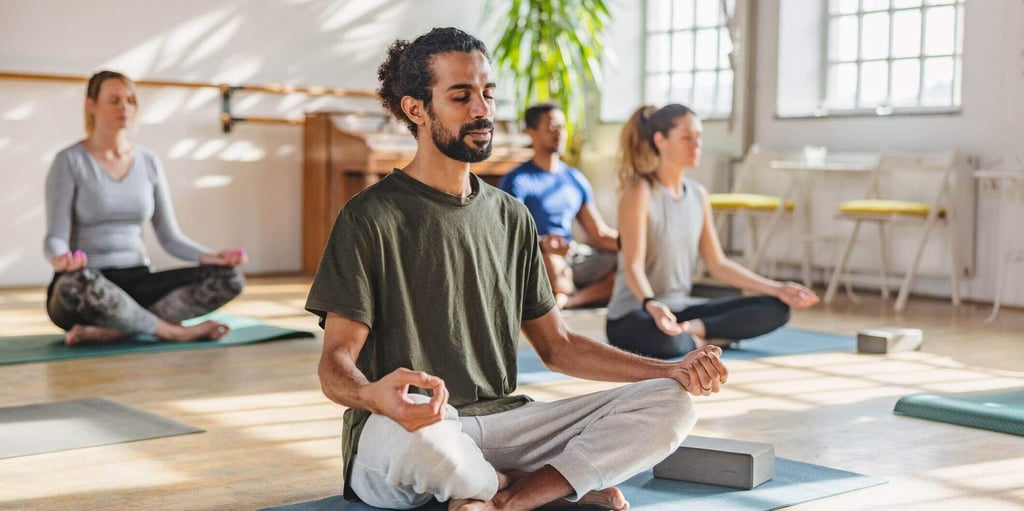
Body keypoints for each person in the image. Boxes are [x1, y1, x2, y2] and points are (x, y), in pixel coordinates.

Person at [305, 28, 728, 511]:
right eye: (461, 96)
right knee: (427, 444)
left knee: (671, 404)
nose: (482, 110)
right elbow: (334, 365)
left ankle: (515, 493)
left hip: (504, 422)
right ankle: (537, 488)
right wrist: (376, 395)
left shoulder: (511, 215)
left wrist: (671, 370)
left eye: (487, 94)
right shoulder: (369, 217)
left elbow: (558, 346)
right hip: (409, 429)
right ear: (415, 109)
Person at [43, 70, 247, 346]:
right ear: (91, 105)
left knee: (230, 278)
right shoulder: (69, 161)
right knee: (73, 283)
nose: (124, 107)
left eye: (130, 100)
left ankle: (119, 329)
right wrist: (61, 258)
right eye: (114, 100)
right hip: (88, 285)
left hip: (137, 281)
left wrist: (210, 256)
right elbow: (55, 236)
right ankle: (173, 331)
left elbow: (170, 238)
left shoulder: (148, 162)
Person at [605, 104, 819, 359]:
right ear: (660, 140)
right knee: (664, 341)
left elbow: (717, 264)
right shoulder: (639, 192)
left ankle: (695, 333)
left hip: (680, 311)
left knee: (777, 308)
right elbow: (633, 267)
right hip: (636, 313)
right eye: (687, 138)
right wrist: (652, 304)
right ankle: (704, 338)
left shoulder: (698, 195)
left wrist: (776, 288)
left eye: (699, 137)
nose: (696, 145)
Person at [498, 103, 618, 309]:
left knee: (627, 265)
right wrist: (543, 243)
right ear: (531, 132)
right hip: (540, 253)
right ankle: (561, 294)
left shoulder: (575, 178)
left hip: (572, 253)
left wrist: (635, 245)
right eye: (552, 126)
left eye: (562, 126)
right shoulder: (516, 180)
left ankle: (569, 300)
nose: (559, 133)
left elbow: (598, 232)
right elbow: (510, 231)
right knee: (552, 259)